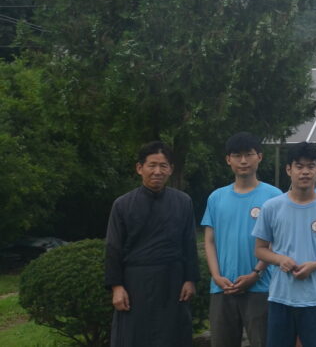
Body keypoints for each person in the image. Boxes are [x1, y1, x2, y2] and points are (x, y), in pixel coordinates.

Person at [252, 142, 316, 347]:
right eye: (299, 166)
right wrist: (280, 259)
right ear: (289, 169)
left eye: (311, 166)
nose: (305, 172)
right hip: (280, 297)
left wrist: (314, 266)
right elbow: (260, 249)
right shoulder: (272, 207)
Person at [105, 141, 198, 347]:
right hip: (135, 282)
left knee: (173, 336)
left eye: (163, 166)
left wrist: (190, 279)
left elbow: (189, 243)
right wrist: (117, 287)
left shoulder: (183, 202)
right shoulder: (122, 205)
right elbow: (113, 248)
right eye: (152, 165)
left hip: (172, 280)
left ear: (171, 169)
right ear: (140, 168)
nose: (157, 171)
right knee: (134, 337)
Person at [202, 133, 281, 347]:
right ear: (228, 159)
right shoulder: (216, 197)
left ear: (260, 157)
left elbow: (277, 242)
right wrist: (216, 276)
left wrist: (256, 273)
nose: (243, 161)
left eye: (249, 154)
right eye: (237, 155)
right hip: (222, 288)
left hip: (261, 287)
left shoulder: (274, 196)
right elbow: (209, 240)